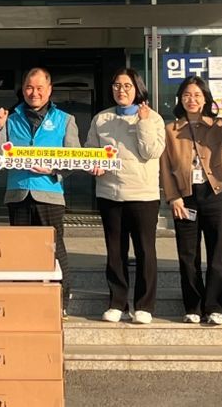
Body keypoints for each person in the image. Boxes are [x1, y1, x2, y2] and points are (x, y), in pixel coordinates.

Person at [0, 67, 80, 315]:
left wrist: (52, 169)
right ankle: (24, 300)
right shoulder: (10, 118)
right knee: (21, 250)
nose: (34, 93)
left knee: (54, 248)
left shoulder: (65, 119)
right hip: (18, 192)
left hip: (49, 192)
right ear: (23, 89)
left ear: (49, 90)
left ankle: (61, 300)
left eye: (40, 88)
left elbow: (75, 158)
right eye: (29, 87)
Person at [160, 76, 222, 325]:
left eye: (197, 95)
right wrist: (173, 197)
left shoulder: (217, 124)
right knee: (188, 254)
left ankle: (217, 307)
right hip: (186, 197)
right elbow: (165, 167)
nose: (192, 99)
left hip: (215, 193)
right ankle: (193, 306)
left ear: (205, 99)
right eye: (187, 95)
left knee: (219, 252)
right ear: (180, 99)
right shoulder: (170, 130)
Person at [86, 67, 165, 325]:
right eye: (117, 85)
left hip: (143, 195)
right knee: (115, 252)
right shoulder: (101, 119)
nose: (121, 90)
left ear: (137, 88)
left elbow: (151, 152)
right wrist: (93, 165)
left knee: (145, 251)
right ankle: (117, 303)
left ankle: (144, 306)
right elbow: (91, 151)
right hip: (109, 193)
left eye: (127, 86)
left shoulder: (153, 118)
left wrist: (143, 122)